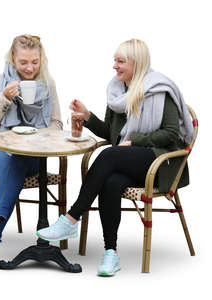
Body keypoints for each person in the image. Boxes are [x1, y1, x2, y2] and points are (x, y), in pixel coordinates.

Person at [37, 39, 193, 277]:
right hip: (125, 159)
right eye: (115, 60)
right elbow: (111, 133)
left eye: (120, 61)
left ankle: (71, 218)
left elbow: (172, 133)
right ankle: (111, 253)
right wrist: (88, 117)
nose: (114, 66)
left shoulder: (161, 89)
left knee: (109, 155)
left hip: (159, 161)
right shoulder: (117, 92)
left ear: (137, 64)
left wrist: (137, 141)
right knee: (111, 182)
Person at [0, 34, 62, 274]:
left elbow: (56, 124)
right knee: (13, 163)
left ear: (41, 58)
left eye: (35, 61)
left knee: (19, 159)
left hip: (30, 155)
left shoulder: (48, 85)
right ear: (12, 58)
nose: (30, 68)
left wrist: (34, 136)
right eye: (23, 62)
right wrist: (3, 98)